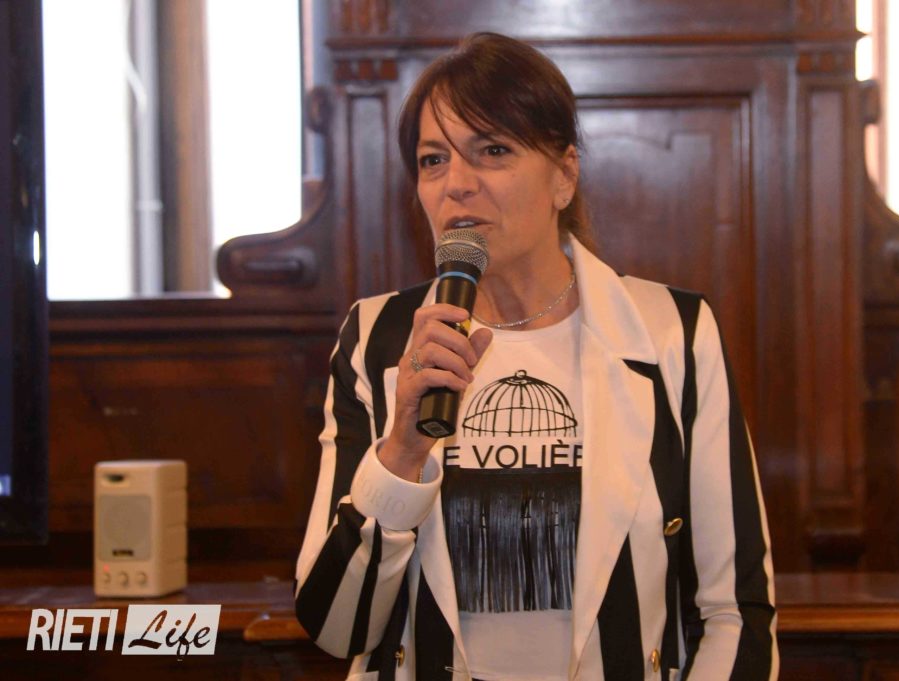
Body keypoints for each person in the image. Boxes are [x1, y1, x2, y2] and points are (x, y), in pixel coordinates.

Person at [295, 32, 777, 681]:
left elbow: (733, 608)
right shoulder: (378, 337)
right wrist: (402, 453)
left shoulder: (673, 332)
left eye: (492, 150)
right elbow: (335, 627)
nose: (456, 185)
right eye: (433, 160)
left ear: (564, 176)